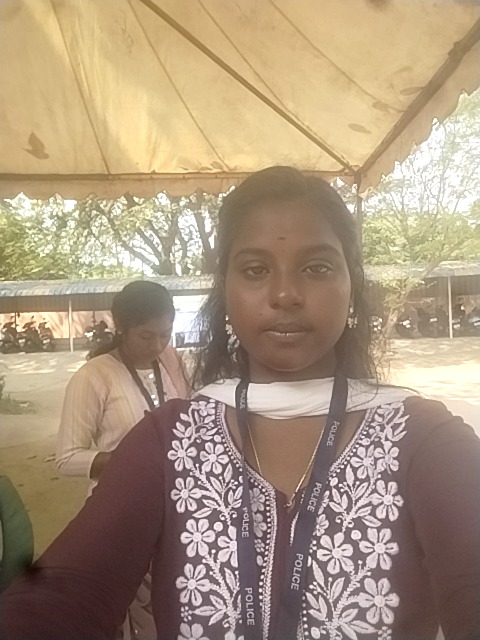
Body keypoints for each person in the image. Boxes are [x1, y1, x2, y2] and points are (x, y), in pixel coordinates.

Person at [1, 167, 479, 640]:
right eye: (255, 270)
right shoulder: (169, 441)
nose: (285, 294)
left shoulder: (425, 440)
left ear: (352, 287)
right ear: (225, 293)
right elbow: (65, 593)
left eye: (317, 267)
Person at [56, 280, 191, 638]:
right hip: (123, 510)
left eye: (165, 334)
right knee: (135, 614)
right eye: (146, 336)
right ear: (121, 327)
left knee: (173, 602)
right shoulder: (93, 376)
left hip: (175, 508)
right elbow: (67, 458)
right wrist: (134, 461)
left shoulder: (171, 360)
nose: (158, 345)